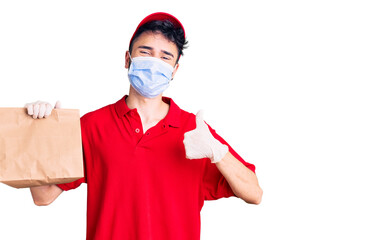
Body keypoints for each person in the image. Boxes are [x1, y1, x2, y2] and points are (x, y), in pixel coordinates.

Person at [26, 12, 263, 240]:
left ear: (175, 69)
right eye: (145, 52)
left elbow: (254, 193)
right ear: (128, 59)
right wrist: (42, 134)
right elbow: (42, 196)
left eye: (165, 57)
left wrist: (217, 153)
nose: (154, 63)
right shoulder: (92, 126)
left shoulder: (194, 130)